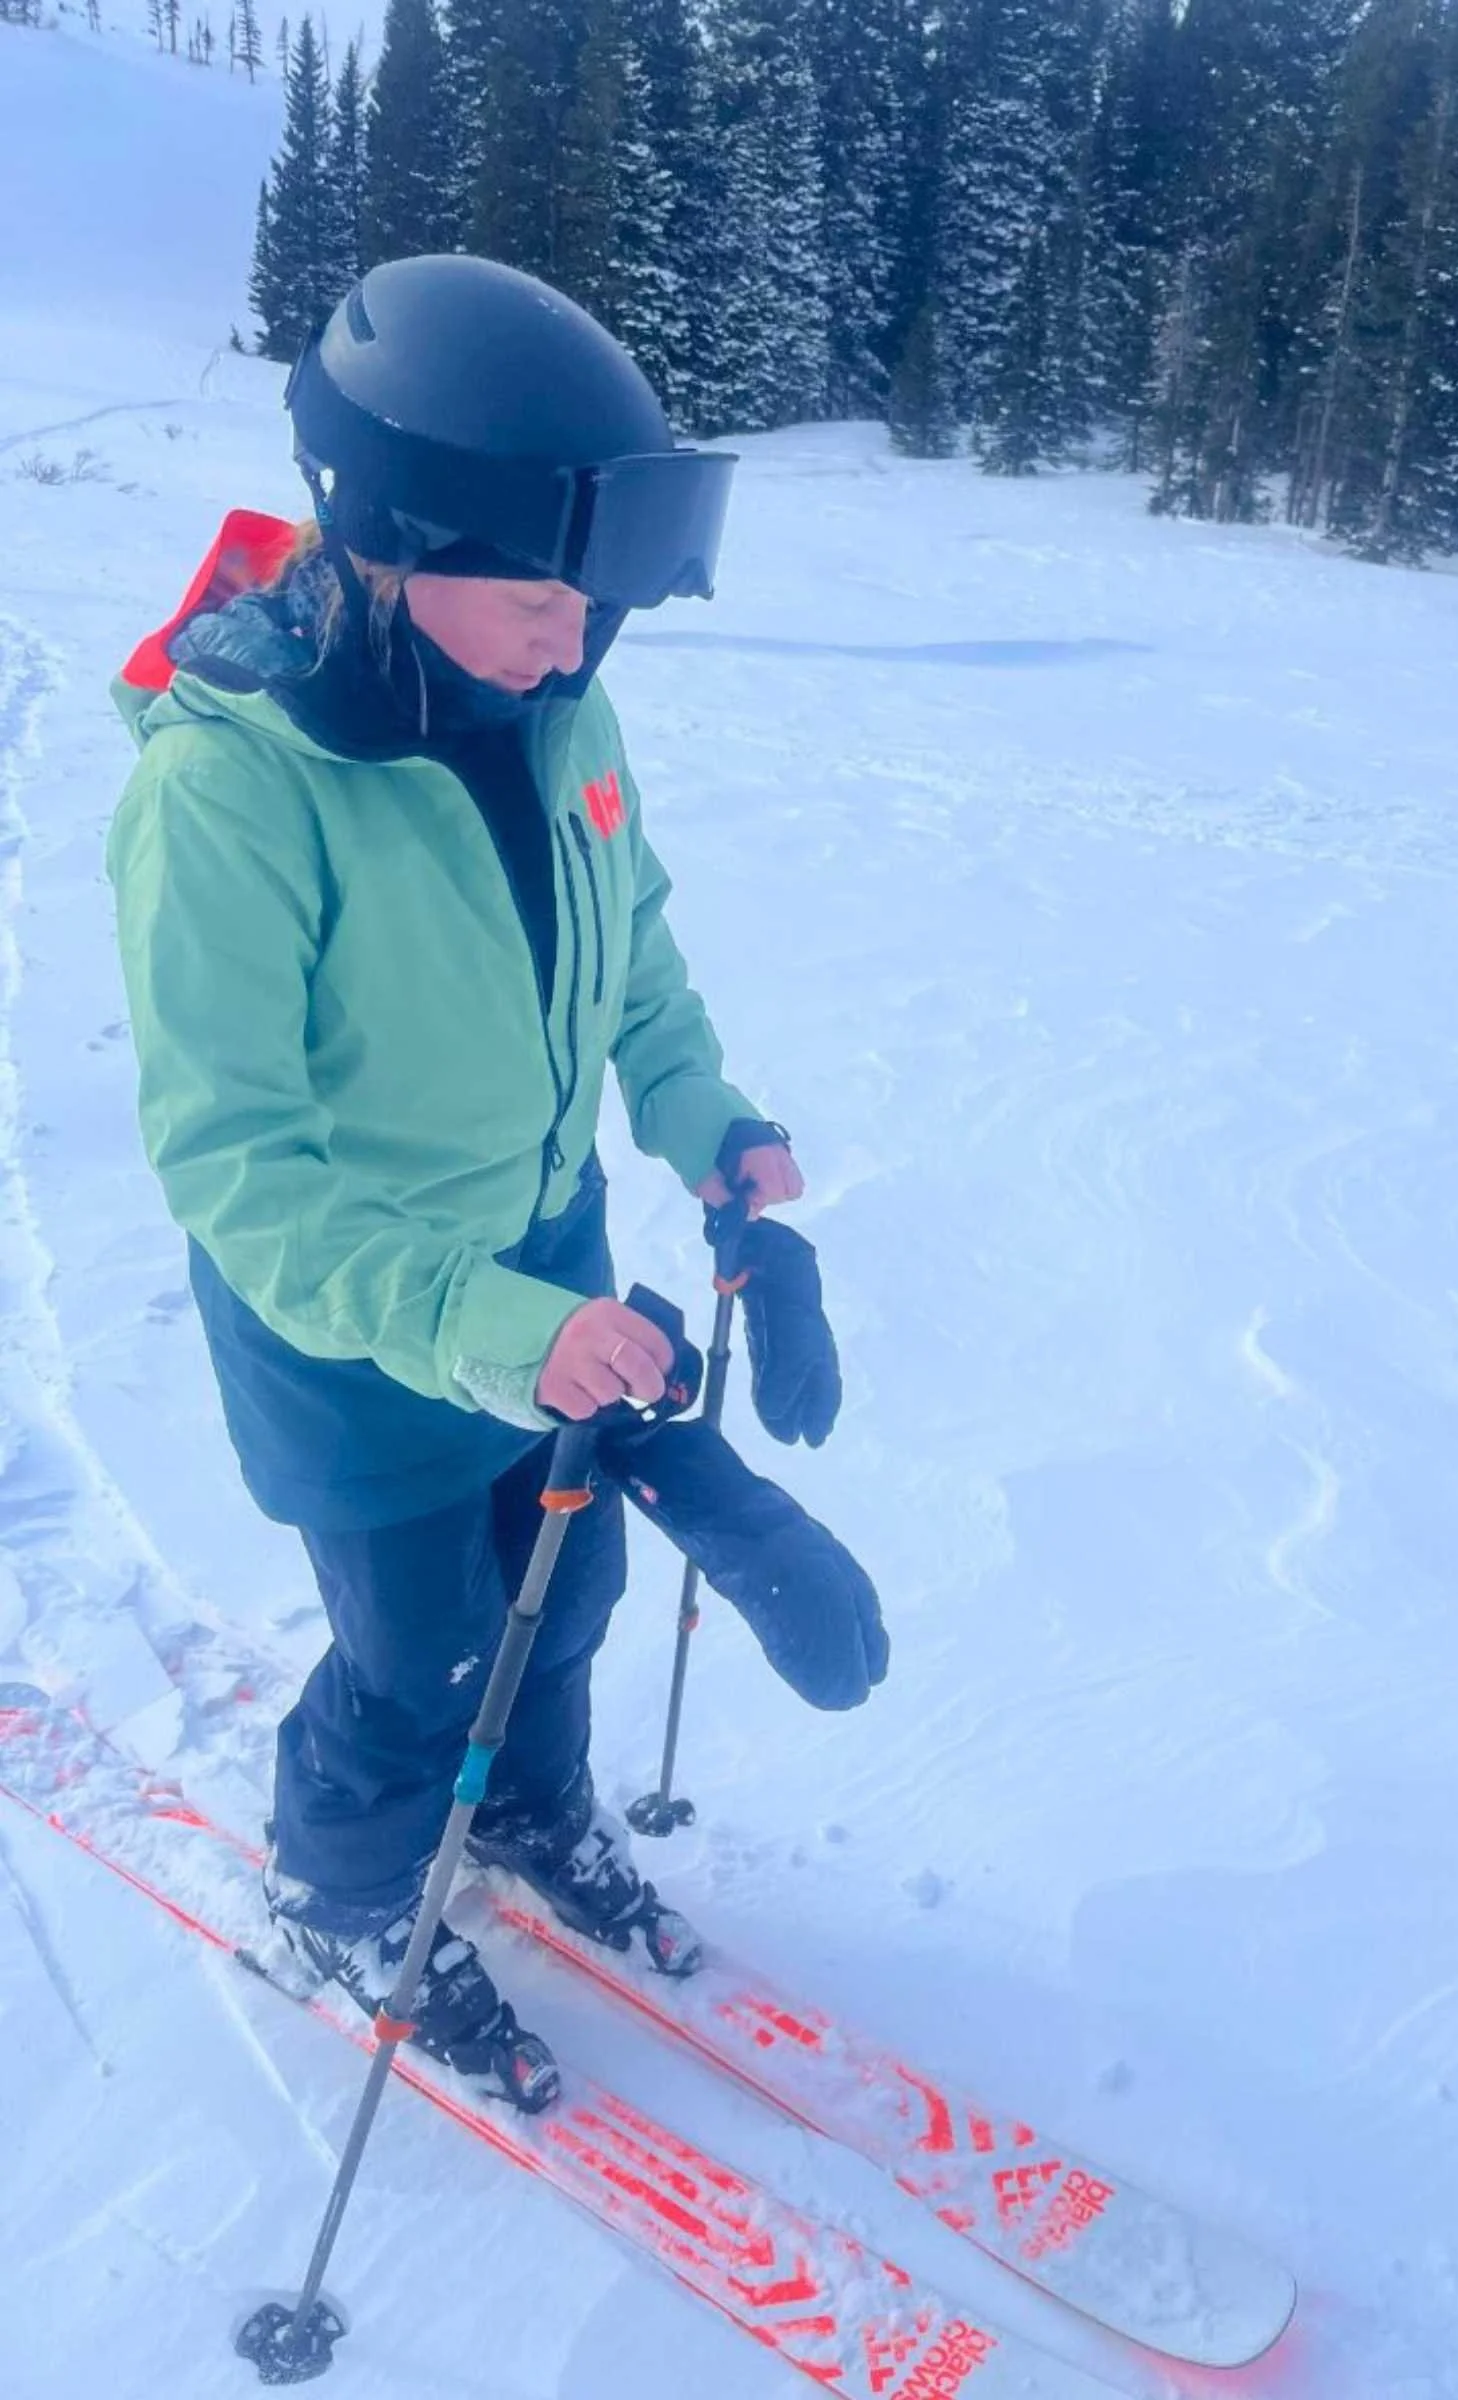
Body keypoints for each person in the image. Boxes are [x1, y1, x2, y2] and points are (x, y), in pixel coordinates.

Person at [106, 254, 816, 2112]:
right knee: (420, 1650)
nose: (573, 644)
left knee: (563, 1600)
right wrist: (487, 1321)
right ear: (386, 541)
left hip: (544, 1262)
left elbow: (631, 951)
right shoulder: (230, 792)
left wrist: (704, 1114)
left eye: (595, 605)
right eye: (535, 598)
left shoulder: (565, 709)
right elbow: (235, 1161)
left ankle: (523, 1811)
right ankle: (346, 1893)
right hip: (353, 1320)